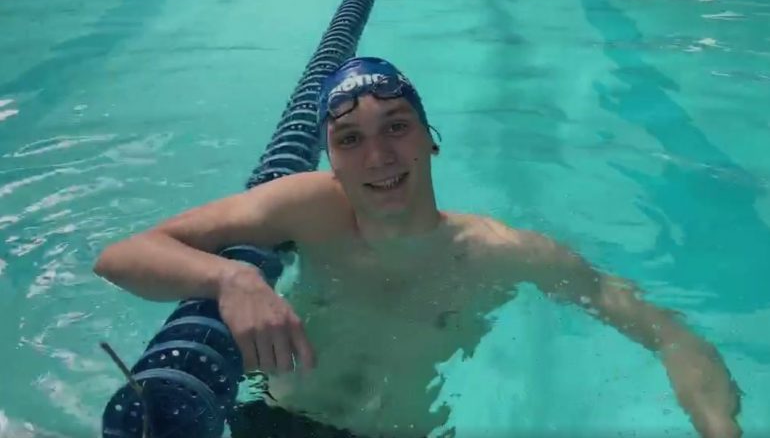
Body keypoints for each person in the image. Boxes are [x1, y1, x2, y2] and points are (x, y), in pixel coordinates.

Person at [93, 57, 742, 438]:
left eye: (396, 128)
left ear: (430, 138)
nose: (378, 157)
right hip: (276, 422)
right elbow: (124, 254)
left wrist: (723, 431)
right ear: (332, 159)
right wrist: (231, 281)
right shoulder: (309, 210)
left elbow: (670, 336)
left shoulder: (503, 252)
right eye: (350, 139)